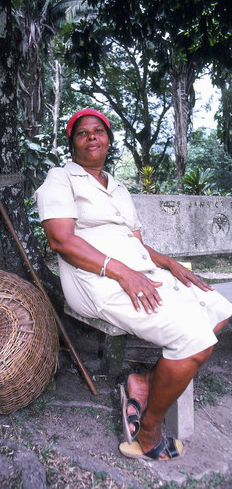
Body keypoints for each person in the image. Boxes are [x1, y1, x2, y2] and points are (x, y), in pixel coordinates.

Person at [34, 108, 232, 461]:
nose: (91, 136)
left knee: (218, 309)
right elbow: (61, 241)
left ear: (109, 140)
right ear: (72, 144)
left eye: (98, 131)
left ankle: (143, 383)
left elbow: (136, 243)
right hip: (98, 282)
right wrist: (123, 272)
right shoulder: (60, 178)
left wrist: (169, 262)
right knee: (194, 339)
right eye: (82, 133)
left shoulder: (119, 187)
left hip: (142, 274)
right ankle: (150, 427)